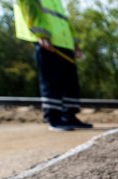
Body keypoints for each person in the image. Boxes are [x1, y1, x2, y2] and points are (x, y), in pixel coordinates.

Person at [14, 0, 92, 131]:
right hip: (48, 41)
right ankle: (54, 118)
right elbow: (29, 9)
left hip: (64, 42)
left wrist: (75, 41)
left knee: (70, 82)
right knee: (52, 80)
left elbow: (63, 19)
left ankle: (69, 116)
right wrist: (41, 34)